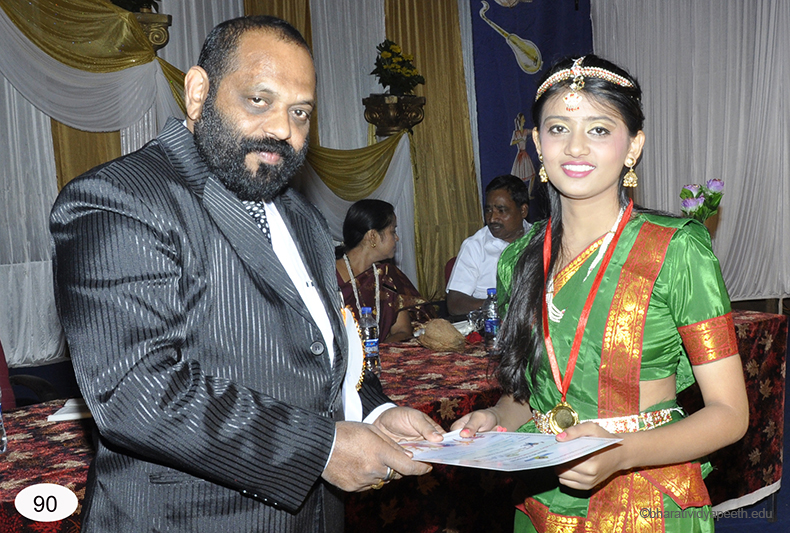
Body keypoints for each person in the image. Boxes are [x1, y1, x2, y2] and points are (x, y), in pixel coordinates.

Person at [50, 16, 443, 533]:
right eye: (259, 100)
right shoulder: (120, 199)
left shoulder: (300, 216)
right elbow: (136, 392)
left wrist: (371, 411)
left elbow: (320, 353)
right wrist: (320, 451)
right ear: (198, 93)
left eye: (300, 112)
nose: (282, 128)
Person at [451, 55, 748, 531]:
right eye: (558, 128)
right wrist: (495, 418)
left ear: (634, 146)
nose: (575, 147)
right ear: (537, 144)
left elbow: (730, 414)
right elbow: (532, 395)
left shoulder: (675, 250)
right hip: (544, 493)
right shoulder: (519, 260)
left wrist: (621, 452)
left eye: (599, 130)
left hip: (645, 497)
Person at [336, 199, 434, 343]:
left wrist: (375, 352)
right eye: (393, 231)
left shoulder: (386, 275)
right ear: (372, 236)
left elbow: (402, 331)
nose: (397, 238)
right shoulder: (328, 276)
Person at [446, 174, 531, 316]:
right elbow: (455, 304)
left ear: (523, 211)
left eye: (501, 211)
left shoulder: (540, 240)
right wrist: (500, 305)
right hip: (491, 324)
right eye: (488, 210)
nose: (492, 218)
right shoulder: (475, 246)